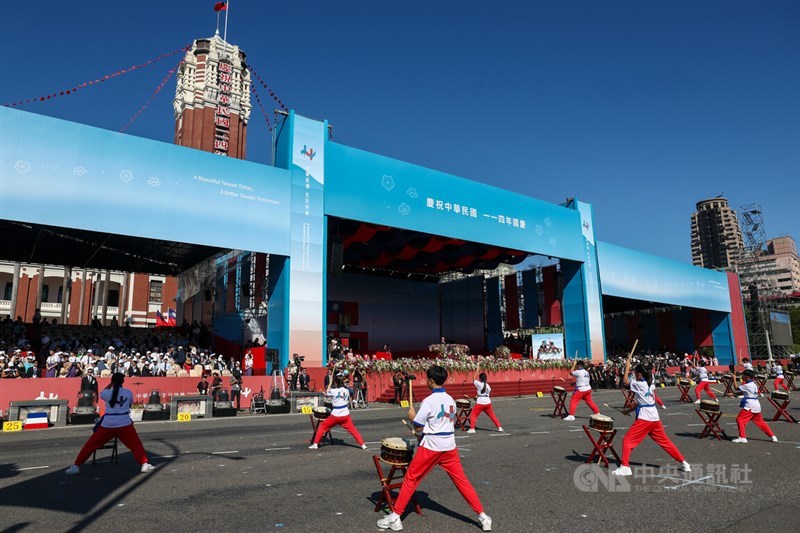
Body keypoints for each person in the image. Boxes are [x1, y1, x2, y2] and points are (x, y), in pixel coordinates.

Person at [377, 365, 492, 532]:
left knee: (411, 479)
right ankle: (482, 516)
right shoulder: (450, 399)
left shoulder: (429, 401)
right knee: (462, 482)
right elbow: (444, 424)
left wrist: (412, 417)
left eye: (426, 379)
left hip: (431, 447)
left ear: (430, 380)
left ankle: (395, 517)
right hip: (449, 446)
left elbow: (418, 427)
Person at [612, 355, 691, 477]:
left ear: (638, 375)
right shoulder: (650, 384)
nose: (634, 375)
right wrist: (628, 410)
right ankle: (684, 462)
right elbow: (643, 402)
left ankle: (625, 467)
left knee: (628, 440)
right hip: (654, 417)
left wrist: (627, 366)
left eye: (635, 373)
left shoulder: (640, 384)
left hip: (645, 418)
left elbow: (625, 381)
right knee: (665, 442)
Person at [65, 373, 154, 475]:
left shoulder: (107, 393)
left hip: (108, 423)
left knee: (90, 445)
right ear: (123, 381)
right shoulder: (128, 393)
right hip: (124, 422)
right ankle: (144, 464)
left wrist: (110, 384)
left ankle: (76, 465)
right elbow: (129, 404)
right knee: (135, 445)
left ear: (112, 381)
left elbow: (103, 393)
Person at [308, 373, 367, 450]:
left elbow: (327, 392)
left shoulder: (333, 391)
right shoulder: (346, 390)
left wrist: (330, 382)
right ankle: (363, 445)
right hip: (345, 414)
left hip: (335, 414)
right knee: (353, 430)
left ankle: (315, 444)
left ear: (335, 383)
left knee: (322, 427)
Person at [732, 369, 778, 444]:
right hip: (756, 405)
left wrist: (734, 379)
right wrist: (734, 394)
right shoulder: (753, 384)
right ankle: (772, 436)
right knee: (760, 422)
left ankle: (742, 437)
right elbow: (745, 392)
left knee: (740, 419)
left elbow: (736, 388)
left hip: (749, 405)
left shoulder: (747, 385)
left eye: (743, 375)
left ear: (747, 377)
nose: (742, 376)